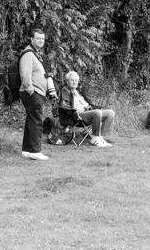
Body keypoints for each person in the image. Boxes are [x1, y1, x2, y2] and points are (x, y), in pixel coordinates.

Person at [19, 29, 56, 160]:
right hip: (32, 92)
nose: (41, 41)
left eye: (42, 39)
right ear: (31, 39)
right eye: (38, 38)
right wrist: (30, 89)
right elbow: (25, 73)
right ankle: (35, 151)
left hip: (37, 92)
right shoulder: (28, 54)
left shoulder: (36, 54)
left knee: (31, 120)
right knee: (37, 121)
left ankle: (27, 150)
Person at [60, 71, 115, 147]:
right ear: (67, 81)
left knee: (110, 113)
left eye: (76, 80)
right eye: (72, 80)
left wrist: (94, 107)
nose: (74, 82)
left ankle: (100, 137)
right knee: (97, 113)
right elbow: (64, 105)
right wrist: (74, 113)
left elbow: (88, 103)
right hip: (77, 116)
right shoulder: (65, 91)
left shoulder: (78, 91)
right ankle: (94, 138)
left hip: (88, 112)